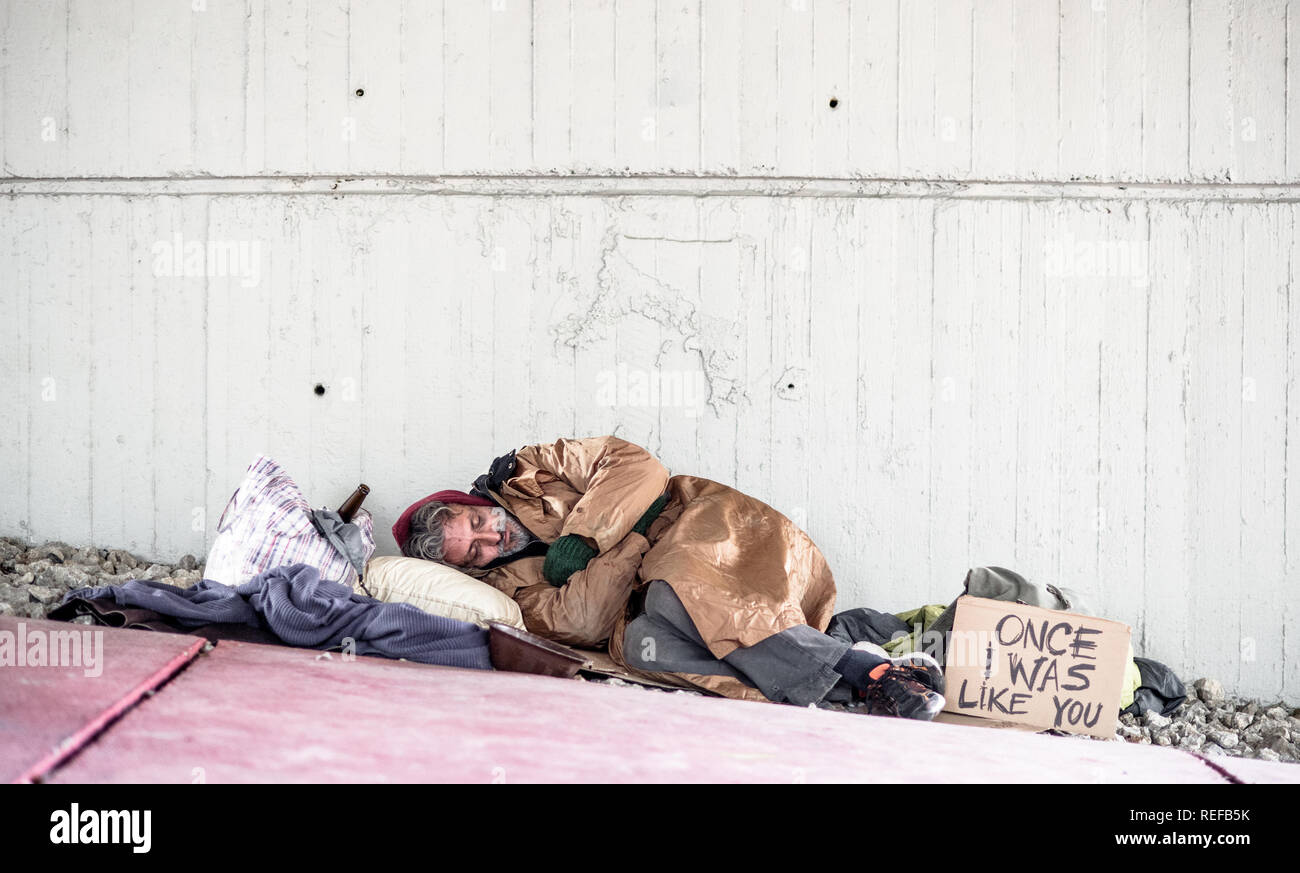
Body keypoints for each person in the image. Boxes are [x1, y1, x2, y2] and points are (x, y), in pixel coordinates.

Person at [392, 435, 946, 719]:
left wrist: (586, 540)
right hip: (649, 599)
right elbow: (581, 620)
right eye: (473, 555)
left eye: (475, 524)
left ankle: (864, 673)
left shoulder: (534, 467)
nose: (492, 541)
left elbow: (638, 469)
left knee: (677, 583)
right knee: (641, 645)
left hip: (704, 531)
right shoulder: (505, 589)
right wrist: (632, 544)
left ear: (469, 503)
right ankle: (852, 687)